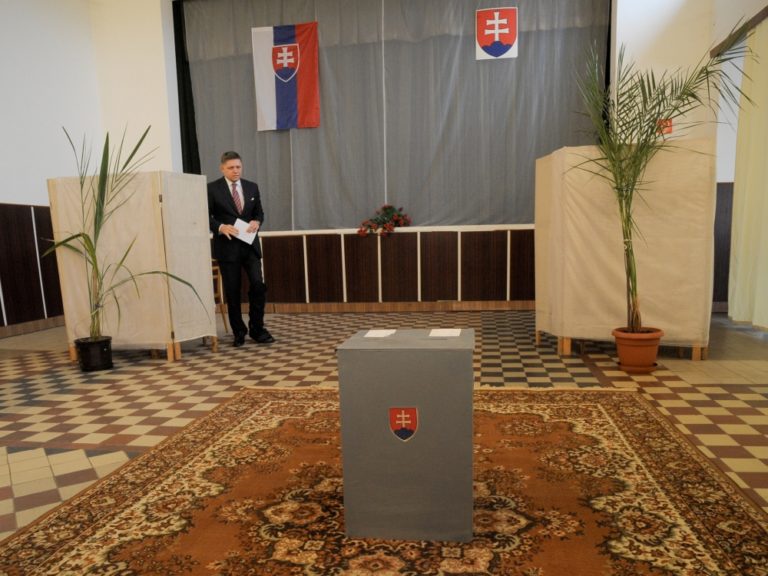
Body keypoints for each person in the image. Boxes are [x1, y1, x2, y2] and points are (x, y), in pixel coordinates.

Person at [208, 151, 275, 347]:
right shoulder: (212, 189)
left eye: (238, 167)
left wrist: (257, 221)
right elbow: (205, 215)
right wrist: (220, 227)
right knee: (233, 291)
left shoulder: (252, 187)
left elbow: (259, 212)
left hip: (250, 246)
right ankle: (239, 332)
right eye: (231, 168)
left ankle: (257, 328)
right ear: (222, 168)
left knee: (258, 285)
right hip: (227, 248)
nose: (235, 170)